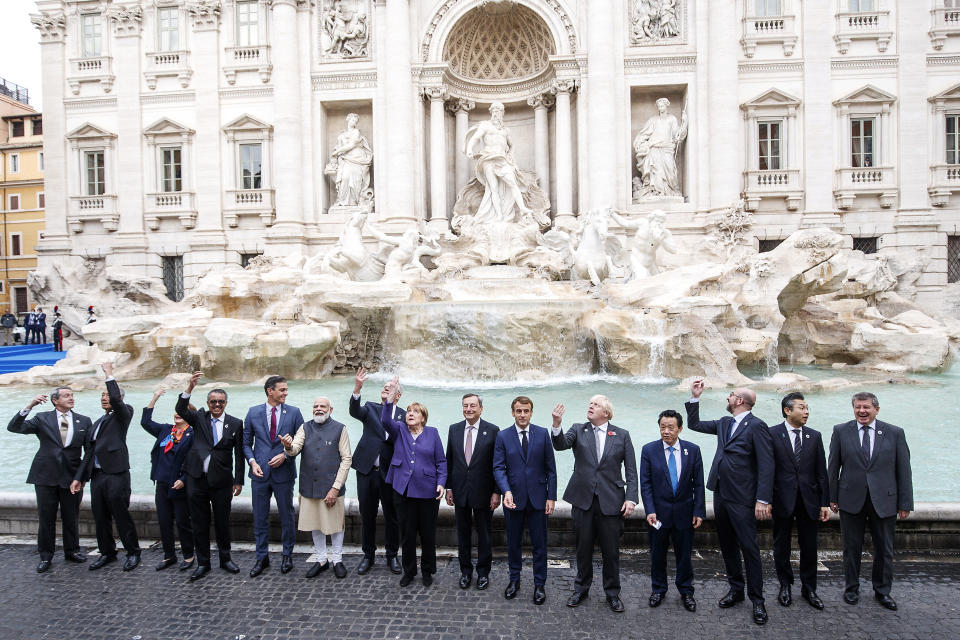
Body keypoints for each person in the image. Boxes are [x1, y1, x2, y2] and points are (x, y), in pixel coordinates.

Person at [685, 379, 774, 625]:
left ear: (740, 401)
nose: (728, 398)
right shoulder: (725, 423)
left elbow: (767, 464)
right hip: (721, 492)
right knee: (727, 545)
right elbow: (694, 424)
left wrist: (763, 499)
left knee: (749, 548)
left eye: (731, 395)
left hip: (744, 496)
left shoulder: (757, 426)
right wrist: (695, 397)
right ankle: (736, 589)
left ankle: (758, 600)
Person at [551, 396, 638, 613]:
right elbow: (560, 445)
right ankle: (581, 588)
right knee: (583, 548)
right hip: (583, 500)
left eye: (596, 404)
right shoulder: (578, 429)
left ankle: (612, 593)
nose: (590, 406)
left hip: (611, 501)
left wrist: (631, 498)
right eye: (590, 403)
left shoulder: (622, 435)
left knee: (611, 552)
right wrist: (556, 424)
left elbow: (631, 471)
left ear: (606, 413)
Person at [828, 392, 913, 611]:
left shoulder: (895, 433)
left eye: (866, 407)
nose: (862, 411)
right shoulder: (840, 431)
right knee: (851, 548)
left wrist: (905, 502)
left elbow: (904, 470)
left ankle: (882, 592)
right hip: (850, 499)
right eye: (857, 407)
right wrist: (832, 497)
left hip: (884, 500)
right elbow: (833, 467)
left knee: (884, 549)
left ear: (876, 409)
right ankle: (851, 589)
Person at [7, 386, 92, 572]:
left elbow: (89, 453)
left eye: (72, 395)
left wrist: (81, 477)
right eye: (66, 396)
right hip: (45, 476)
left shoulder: (84, 421)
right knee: (46, 518)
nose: (71, 398)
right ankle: (46, 556)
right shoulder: (42, 418)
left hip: (72, 478)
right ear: (55, 400)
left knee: (71, 516)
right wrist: (30, 405)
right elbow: (14, 427)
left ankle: (72, 551)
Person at [376, 375, 446, 587]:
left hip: (427, 492)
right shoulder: (399, 430)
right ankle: (409, 571)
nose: (410, 414)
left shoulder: (433, 434)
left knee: (427, 534)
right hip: (403, 490)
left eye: (415, 412)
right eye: (408, 412)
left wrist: (441, 483)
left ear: (423, 417)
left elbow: (441, 462)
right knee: (406, 535)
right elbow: (385, 420)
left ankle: (427, 571)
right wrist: (390, 397)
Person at [70, 362, 141, 571]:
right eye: (101, 395)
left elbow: (117, 401)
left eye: (107, 395)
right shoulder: (98, 422)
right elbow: (90, 452)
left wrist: (109, 375)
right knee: (100, 517)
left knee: (121, 515)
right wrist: (79, 477)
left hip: (117, 474)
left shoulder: (124, 413)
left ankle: (133, 552)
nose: (104, 398)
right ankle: (107, 552)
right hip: (98, 476)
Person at [175, 371, 245, 581]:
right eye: (213, 401)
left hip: (222, 481)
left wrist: (239, 480)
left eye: (220, 402)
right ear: (208, 402)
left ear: (226, 403)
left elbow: (239, 454)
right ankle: (203, 562)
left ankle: (225, 559)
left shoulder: (235, 423)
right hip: (197, 479)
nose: (216, 405)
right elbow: (180, 408)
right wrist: (189, 388)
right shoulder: (199, 418)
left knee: (223, 521)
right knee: (199, 522)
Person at [639, 409, 705, 612]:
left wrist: (699, 511)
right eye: (662, 427)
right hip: (658, 514)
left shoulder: (692, 450)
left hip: (684, 513)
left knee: (684, 555)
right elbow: (646, 484)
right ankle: (658, 589)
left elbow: (698, 485)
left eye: (670, 427)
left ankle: (686, 591)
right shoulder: (649, 450)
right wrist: (649, 510)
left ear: (680, 429)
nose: (666, 431)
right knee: (657, 554)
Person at [493, 396, 557, 605]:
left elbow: (551, 469)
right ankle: (514, 580)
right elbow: (498, 468)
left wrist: (551, 497)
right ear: (513, 412)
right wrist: (506, 491)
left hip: (539, 498)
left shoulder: (542, 433)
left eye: (526, 411)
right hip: (514, 499)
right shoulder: (503, 436)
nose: (522, 415)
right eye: (518, 411)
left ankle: (540, 584)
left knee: (540, 545)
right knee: (513, 543)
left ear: (531, 412)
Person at [281, 397, 351, 579]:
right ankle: (321, 560)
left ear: (331, 409)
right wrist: (288, 447)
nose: (318, 409)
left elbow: (346, 459)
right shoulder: (305, 427)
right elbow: (295, 448)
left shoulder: (340, 428)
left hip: (331, 486)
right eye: (315, 406)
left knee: (336, 526)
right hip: (309, 486)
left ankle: (337, 560)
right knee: (315, 524)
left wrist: (335, 488)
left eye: (322, 406)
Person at [770, 392, 829, 610]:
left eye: (807, 408)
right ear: (788, 410)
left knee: (810, 546)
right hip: (781, 499)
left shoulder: (814, 436)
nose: (806, 412)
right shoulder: (772, 433)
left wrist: (824, 502)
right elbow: (767, 470)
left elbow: (821, 472)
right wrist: (765, 500)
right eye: (802, 408)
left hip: (809, 500)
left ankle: (809, 588)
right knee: (781, 546)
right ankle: (784, 585)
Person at [243, 376, 304, 577]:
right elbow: (246, 443)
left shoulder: (294, 413)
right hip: (259, 473)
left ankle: (287, 556)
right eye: (282, 390)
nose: (286, 393)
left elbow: (301, 442)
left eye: (286, 390)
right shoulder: (253, 412)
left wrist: (286, 454)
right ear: (270, 391)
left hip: (284, 473)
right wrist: (252, 462)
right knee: (259, 517)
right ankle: (262, 558)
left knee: (287, 515)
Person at [349, 367, 403, 575]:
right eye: (384, 386)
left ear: (397, 395)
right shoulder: (370, 408)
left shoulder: (404, 415)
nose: (386, 388)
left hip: (390, 473)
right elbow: (355, 411)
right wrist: (357, 387)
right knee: (367, 515)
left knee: (392, 516)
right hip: (367, 471)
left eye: (391, 387)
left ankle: (392, 556)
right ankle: (368, 555)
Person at [445, 393, 501, 591]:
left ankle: (483, 573)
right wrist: (448, 487)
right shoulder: (454, 429)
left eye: (472, 406)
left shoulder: (493, 431)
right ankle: (466, 572)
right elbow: (449, 460)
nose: (468, 409)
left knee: (485, 534)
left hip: (484, 493)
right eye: (465, 406)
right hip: (460, 491)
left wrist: (497, 492)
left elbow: (498, 465)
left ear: (481, 409)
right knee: (463, 535)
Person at [141, 388, 195, 572]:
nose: (176, 415)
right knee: (164, 521)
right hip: (162, 483)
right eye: (175, 412)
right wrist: (154, 397)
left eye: (181, 412)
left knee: (182, 522)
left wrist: (185, 479)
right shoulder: (165, 430)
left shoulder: (193, 434)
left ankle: (188, 555)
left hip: (179, 484)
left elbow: (195, 461)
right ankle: (169, 555)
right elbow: (145, 422)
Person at [633, 97, 687, 199]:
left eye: (662, 106)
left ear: (666, 106)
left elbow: (677, 136)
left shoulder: (672, 119)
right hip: (654, 148)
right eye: (659, 106)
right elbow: (644, 134)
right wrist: (640, 142)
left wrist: (684, 123)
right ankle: (657, 192)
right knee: (656, 172)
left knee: (670, 170)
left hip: (667, 148)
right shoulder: (653, 120)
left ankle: (672, 190)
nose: (660, 108)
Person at [325, 113, 373, 207]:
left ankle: (354, 202)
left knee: (356, 179)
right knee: (345, 177)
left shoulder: (356, 132)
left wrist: (337, 151)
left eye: (355, 121)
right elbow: (338, 147)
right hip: (345, 159)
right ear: (348, 120)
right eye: (352, 120)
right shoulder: (342, 135)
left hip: (357, 158)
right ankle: (342, 201)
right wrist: (335, 154)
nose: (353, 122)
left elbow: (351, 145)